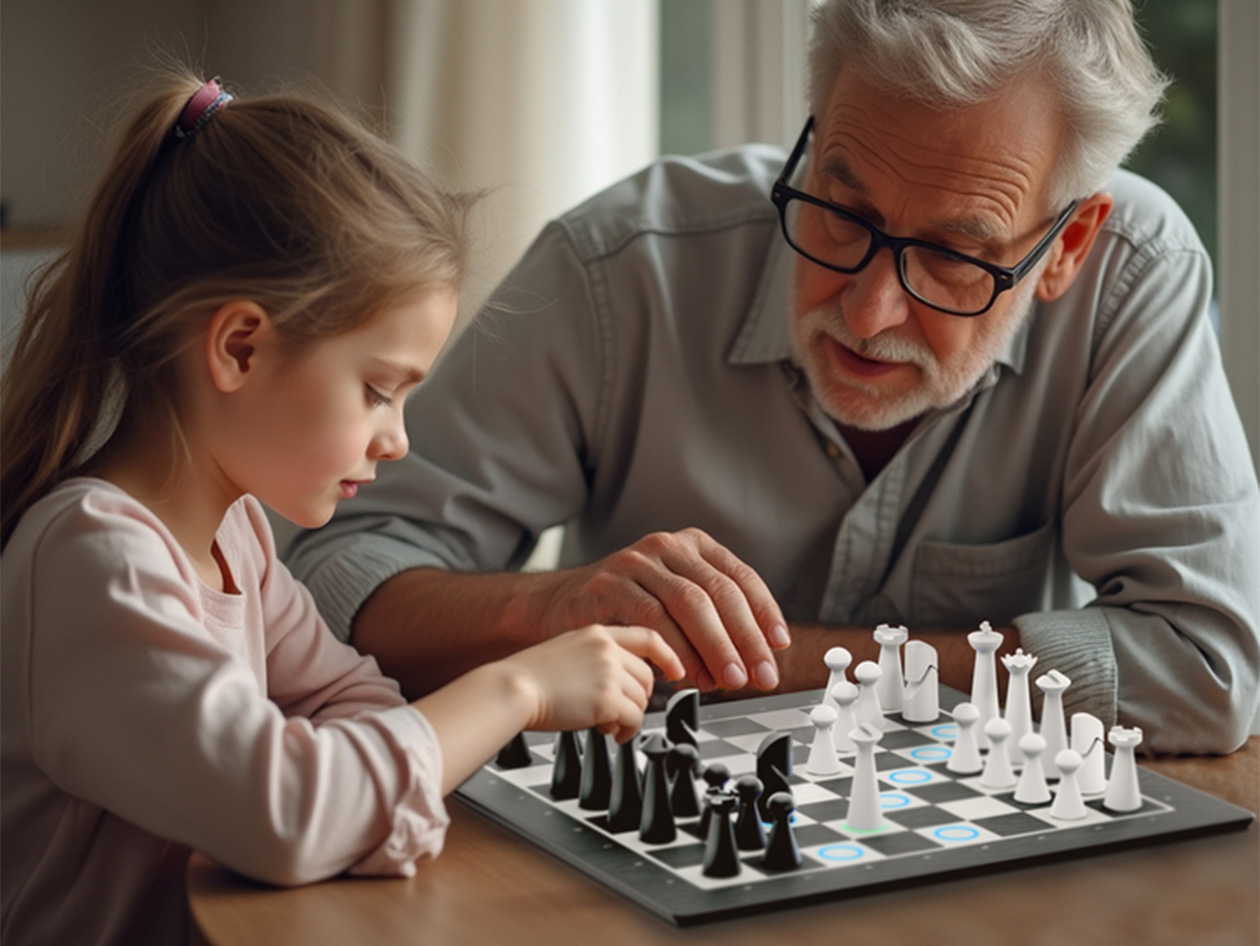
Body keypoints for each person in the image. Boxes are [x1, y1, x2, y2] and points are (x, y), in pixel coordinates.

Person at [289, 0, 1260, 755]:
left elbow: (1208, 671)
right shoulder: (620, 268)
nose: (870, 311)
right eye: (843, 211)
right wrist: (543, 610)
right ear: (816, 129)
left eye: (954, 256)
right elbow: (330, 574)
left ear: (1067, 248)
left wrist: (792, 661)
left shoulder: (1135, 276)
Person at [0, 74, 683, 946]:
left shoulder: (236, 537)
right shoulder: (95, 559)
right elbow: (287, 814)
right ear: (240, 348)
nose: (398, 440)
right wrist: (517, 688)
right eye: (378, 391)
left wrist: (347, 792)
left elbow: (353, 699)